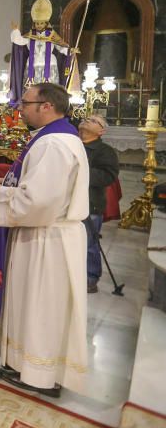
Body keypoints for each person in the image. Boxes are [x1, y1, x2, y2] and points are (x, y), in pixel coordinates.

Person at [0, 83, 88, 397]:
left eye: (26, 103)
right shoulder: (56, 137)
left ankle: (39, 375)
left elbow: (38, 202)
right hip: (43, 234)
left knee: (41, 307)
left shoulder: (54, 144)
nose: (20, 108)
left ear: (46, 106)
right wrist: (8, 184)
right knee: (34, 304)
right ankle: (25, 365)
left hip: (46, 238)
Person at [78, 114, 119, 294]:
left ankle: (90, 277)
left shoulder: (105, 151)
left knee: (89, 243)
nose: (88, 120)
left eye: (94, 121)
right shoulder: (72, 143)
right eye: (88, 118)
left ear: (101, 131)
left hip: (90, 203)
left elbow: (108, 176)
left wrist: (80, 171)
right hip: (66, 201)